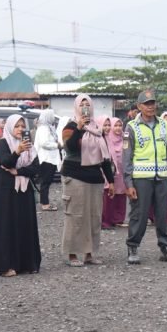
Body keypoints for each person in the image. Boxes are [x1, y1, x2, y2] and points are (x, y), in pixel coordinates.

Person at [122, 88, 167, 264]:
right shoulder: (131, 127)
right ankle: (133, 247)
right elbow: (126, 156)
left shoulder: (164, 125)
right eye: (147, 104)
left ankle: (165, 247)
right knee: (139, 215)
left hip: (162, 176)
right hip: (140, 178)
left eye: (153, 103)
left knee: (163, 214)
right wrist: (128, 183)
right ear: (139, 106)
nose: (151, 107)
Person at [61, 95, 113, 266]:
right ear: (76, 107)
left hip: (94, 178)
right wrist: (79, 128)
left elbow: (105, 156)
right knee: (76, 217)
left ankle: (90, 253)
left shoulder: (97, 129)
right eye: (82, 104)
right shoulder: (70, 126)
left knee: (94, 217)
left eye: (87, 104)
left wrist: (110, 180)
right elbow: (69, 148)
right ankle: (72, 254)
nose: (85, 107)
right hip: (75, 176)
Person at [0, 114, 42, 276]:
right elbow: (5, 162)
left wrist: (18, 171)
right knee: (7, 225)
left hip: (24, 191)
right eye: (17, 126)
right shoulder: (2, 143)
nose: (20, 129)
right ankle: (6, 265)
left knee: (25, 224)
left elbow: (36, 168)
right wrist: (17, 153)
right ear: (10, 127)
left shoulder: (29, 146)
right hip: (6, 192)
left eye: (22, 126)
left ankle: (27, 263)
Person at [101, 117, 128, 229]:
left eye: (119, 125)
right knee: (110, 195)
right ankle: (108, 220)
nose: (117, 128)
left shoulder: (125, 139)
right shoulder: (107, 139)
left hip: (122, 171)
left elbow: (128, 152)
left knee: (121, 194)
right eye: (115, 125)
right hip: (111, 172)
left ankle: (119, 219)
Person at [34, 109, 61, 211]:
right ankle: (45, 204)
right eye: (52, 115)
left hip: (50, 158)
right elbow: (44, 143)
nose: (53, 117)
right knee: (45, 182)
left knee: (47, 182)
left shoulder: (48, 127)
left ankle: (44, 202)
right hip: (46, 158)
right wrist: (56, 145)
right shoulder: (43, 128)